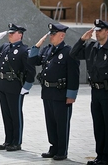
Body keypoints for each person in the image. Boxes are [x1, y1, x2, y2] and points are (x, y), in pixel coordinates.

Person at [70, 19, 108, 165]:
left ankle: (107, 158)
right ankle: (99, 156)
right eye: (96, 30)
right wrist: (82, 39)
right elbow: (73, 54)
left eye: (100, 30)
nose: (97, 33)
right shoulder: (92, 46)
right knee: (98, 125)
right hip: (96, 92)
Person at [27, 23, 80, 160]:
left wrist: (71, 95)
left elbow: (74, 75)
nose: (50, 36)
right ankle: (54, 147)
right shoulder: (47, 49)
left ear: (62, 35)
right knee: (50, 122)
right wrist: (37, 46)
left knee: (62, 123)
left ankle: (62, 150)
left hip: (61, 93)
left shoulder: (69, 51)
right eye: (50, 33)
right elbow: (33, 61)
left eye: (53, 34)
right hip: (48, 92)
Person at [0, 23, 36, 151]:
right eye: (9, 32)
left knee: (15, 115)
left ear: (20, 34)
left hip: (15, 86)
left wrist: (27, 86)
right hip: (2, 84)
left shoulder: (25, 50)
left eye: (12, 33)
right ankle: (8, 140)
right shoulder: (4, 46)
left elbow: (30, 71)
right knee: (6, 114)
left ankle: (16, 142)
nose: (9, 35)